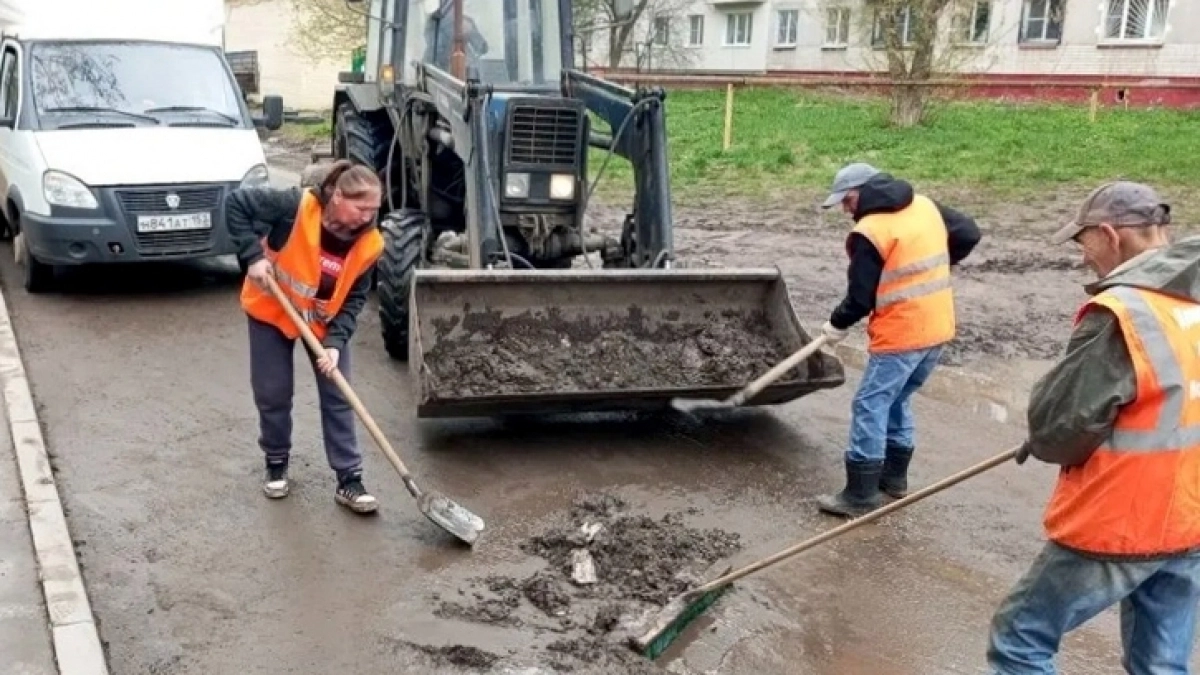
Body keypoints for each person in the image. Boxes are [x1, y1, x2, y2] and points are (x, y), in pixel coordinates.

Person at [987, 181, 1200, 673]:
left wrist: (1044, 435)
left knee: (1021, 638)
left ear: (1109, 234)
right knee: (1161, 664)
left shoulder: (1126, 314)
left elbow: (1059, 427)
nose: (1083, 257)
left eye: (1083, 241)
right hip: (1190, 518)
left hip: (1126, 519)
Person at [814, 162, 982, 517]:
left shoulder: (871, 231)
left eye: (846, 201)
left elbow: (860, 297)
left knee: (869, 404)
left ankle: (860, 495)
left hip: (902, 332)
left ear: (862, 192)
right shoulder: (923, 204)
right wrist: (941, 263)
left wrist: (836, 324)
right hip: (937, 326)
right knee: (897, 398)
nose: (845, 210)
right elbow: (968, 232)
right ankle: (893, 479)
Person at [226, 160, 385, 514]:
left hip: (322, 323)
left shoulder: (370, 244)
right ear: (338, 196)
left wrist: (335, 344)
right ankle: (276, 462)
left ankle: (349, 479)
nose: (368, 217)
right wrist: (252, 257)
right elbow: (235, 204)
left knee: (339, 394)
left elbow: (355, 299)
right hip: (272, 307)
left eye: (374, 209)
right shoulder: (295, 207)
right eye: (361, 208)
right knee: (273, 391)